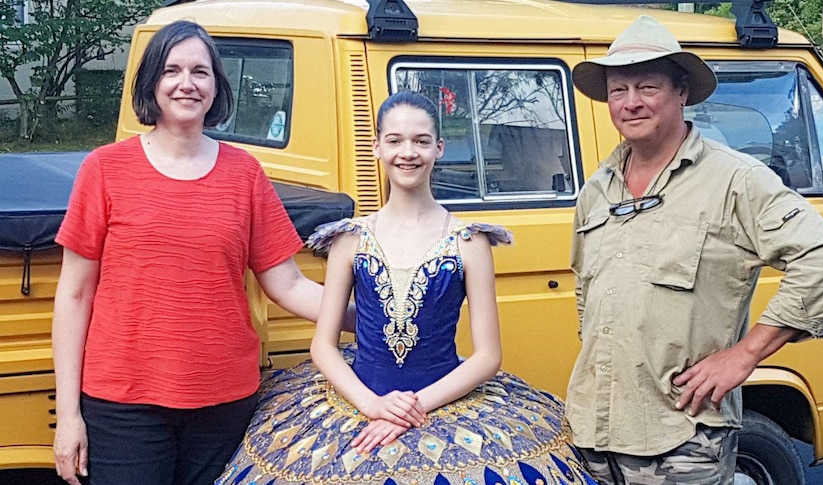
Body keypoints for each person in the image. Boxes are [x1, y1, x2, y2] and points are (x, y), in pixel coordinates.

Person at [216, 91, 598, 485]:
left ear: (439, 148)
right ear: (378, 147)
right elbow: (323, 346)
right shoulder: (351, 238)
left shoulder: (469, 241)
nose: (408, 152)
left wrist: (411, 408)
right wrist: (375, 406)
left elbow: (487, 356)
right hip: (361, 403)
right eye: (395, 140)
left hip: (443, 405)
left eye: (421, 141)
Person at [51, 20, 349, 485]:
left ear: (216, 87)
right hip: (124, 404)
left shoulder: (245, 174)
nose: (186, 83)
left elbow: (288, 284)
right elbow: (73, 296)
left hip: (224, 404)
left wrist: (370, 316)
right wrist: (68, 415)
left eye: (200, 72)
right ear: (152, 82)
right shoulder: (105, 169)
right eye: (171, 70)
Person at [566, 15, 823, 485]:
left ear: (681, 92)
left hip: (683, 436)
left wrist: (743, 355)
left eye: (647, 86)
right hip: (594, 430)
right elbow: (586, 288)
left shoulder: (735, 180)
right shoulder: (598, 189)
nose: (631, 102)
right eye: (618, 90)